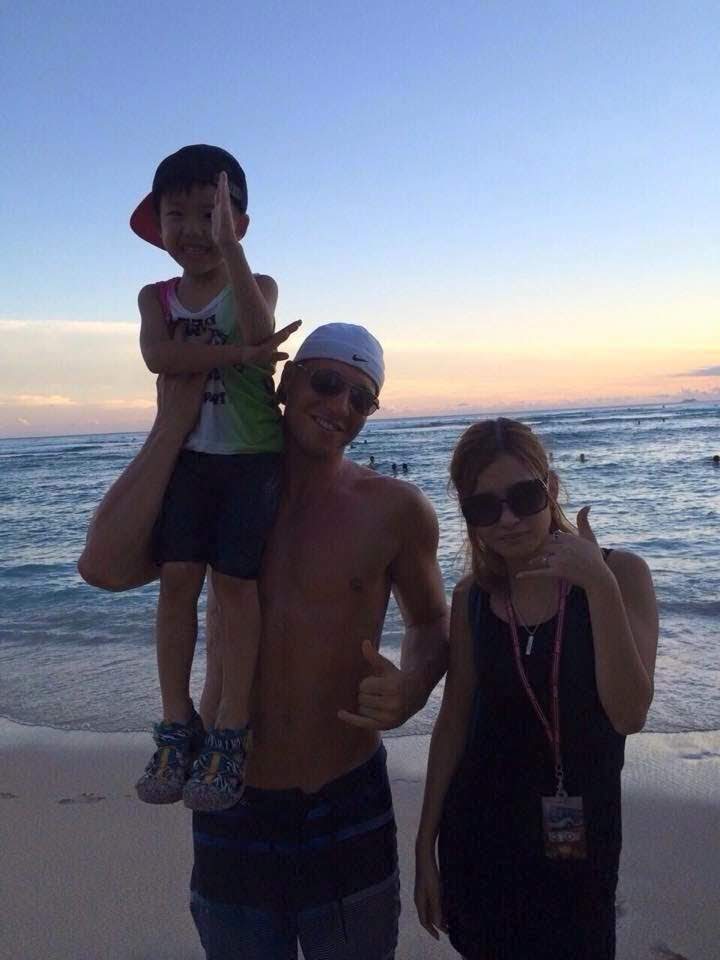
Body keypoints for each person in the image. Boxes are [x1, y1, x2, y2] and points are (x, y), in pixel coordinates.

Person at [78, 323, 449, 960]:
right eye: (326, 382)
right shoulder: (218, 491)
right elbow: (104, 566)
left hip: (346, 794)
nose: (340, 406)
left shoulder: (395, 509)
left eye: (361, 399)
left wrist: (413, 686)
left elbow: (430, 621)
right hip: (230, 793)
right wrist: (170, 428)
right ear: (285, 382)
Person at [414, 417, 658, 960]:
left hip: (579, 839)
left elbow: (629, 713)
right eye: (484, 507)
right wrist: (423, 844)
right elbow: (454, 722)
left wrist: (597, 585)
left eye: (523, 497)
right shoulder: (473, 598)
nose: (507, 519)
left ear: (551, 488)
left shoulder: (622, 575)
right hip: (480, 836)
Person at [128, 143, 300, 812]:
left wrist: (233, 254)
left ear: (239, 223)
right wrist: (239, 355)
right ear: (159, 225)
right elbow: (158, 356)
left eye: (212, 214)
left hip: (252, 459)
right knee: (176, 582)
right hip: (190, 460)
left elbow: (262, 328)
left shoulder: (258, 283)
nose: (195, 230)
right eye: (178, 215)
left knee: (234, 589)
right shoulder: (156, 297)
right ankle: (177, 724)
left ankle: (230, 729)